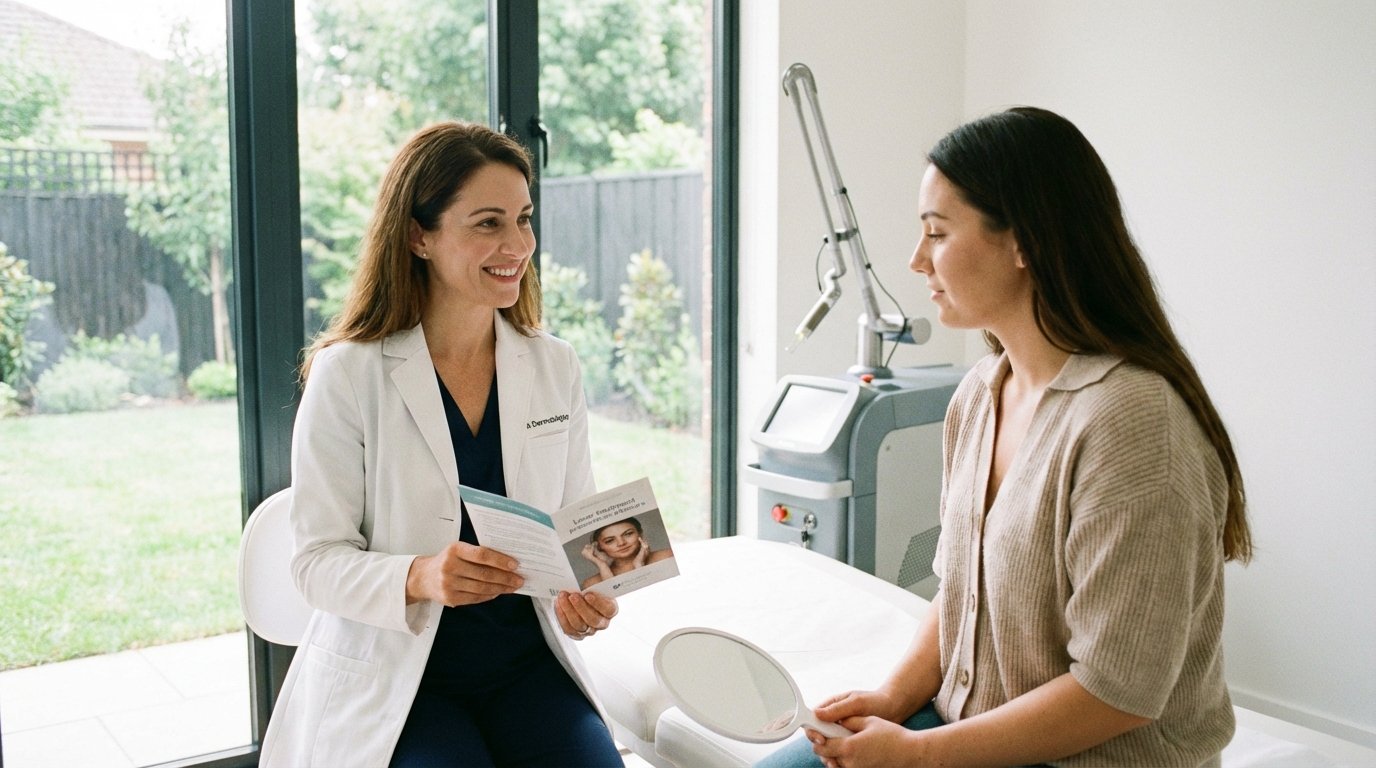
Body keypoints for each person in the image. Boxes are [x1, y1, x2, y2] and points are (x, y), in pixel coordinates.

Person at [758, 106, 1253, 768]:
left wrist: (920, 755)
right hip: (970, 729)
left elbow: (1118, 693)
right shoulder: (980, 395)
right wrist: (891, 700)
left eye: (937, 233)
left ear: (1024, 242)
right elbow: (958, 594)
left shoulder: (1132, 424)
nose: (916, 260)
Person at [259, 122, 625, 767]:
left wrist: (588, 595)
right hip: (399, 679)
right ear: (418, 235)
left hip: (525, 666)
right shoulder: (349, 372)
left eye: (524, 218)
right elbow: (314, 562)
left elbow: (576, 531)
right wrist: (421, 575)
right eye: (487, 222)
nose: (517, 244)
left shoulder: (554, 366)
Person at [579, 516, 674, 589]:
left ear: (640, 534)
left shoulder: (666, 556)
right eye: (610, 540)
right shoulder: (591, 583)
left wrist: (639, 565)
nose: (621, 543)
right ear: (599, 546)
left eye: (628, 534)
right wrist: (602, 565)